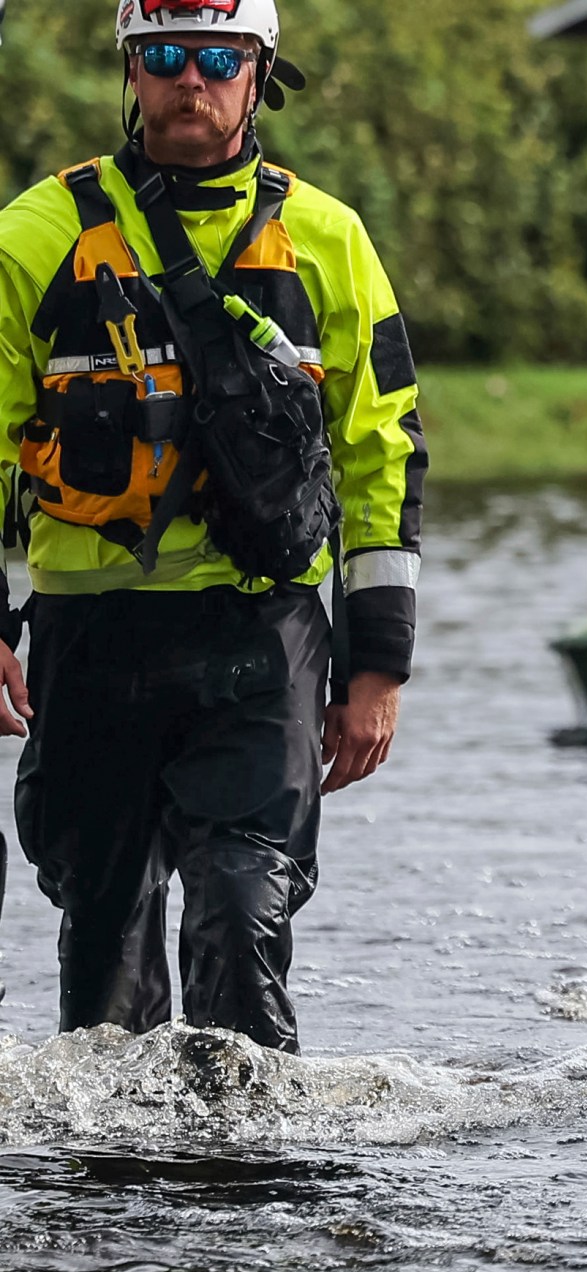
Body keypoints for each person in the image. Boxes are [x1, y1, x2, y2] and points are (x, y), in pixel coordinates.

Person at [0, 0, 423, 1051]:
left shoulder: (328, 238)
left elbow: (384, 453)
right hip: (92, 638)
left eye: (218, 60)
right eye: (167, 58)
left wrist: (377, 666)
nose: (192, 82)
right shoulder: (34, 236)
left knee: (242, 911)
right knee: (103, 942)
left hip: (259, 635)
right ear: (131, 73)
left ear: (258, 72)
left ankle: (249, 1191)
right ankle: (116, 1189)